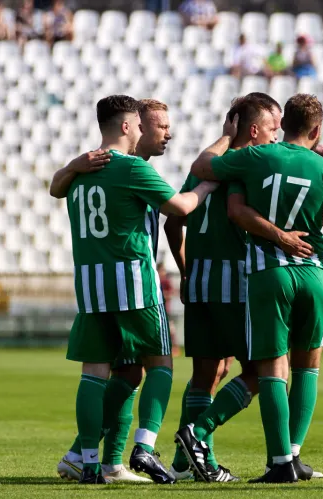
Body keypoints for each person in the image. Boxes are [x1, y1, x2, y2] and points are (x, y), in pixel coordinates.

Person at [176, 93, 323, 484]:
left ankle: (210, 451)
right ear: (314, 129)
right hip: (307, 273)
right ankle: (285, 455)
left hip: (249, 276)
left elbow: (229, 204)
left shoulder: (250, 161)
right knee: (299, 367)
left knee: (226, 370)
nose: (275, 131)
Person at [57, 94, 217, 484]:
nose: (157, 132)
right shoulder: (129, 169)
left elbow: (56, 187)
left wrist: (69, 167)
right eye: (149, 125)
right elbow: (180, 208)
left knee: (96, 375)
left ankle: (94, 463)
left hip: (91, 285)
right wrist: (208, 184)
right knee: (161, 362)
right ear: (130, 126)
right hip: (132, 283)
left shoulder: (81, 170)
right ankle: (145, 445)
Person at [156, 262, 180, 357]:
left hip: (166, 310)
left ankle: (174, 348)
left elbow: (172, 293)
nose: (163, 272)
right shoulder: (156, 280)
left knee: (171, 329)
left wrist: (163, 295)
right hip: (156, 310)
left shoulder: (166, 282)